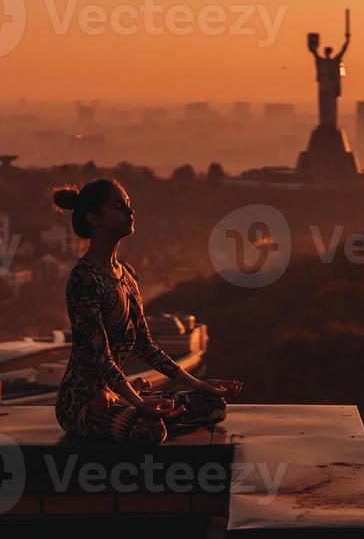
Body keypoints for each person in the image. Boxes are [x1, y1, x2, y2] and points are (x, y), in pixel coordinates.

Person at [52, 179, 242, 442]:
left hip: (121, 395)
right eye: (119, 207)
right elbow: (99, 355)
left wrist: (201, 385)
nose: (130, 212)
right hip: (84, 403)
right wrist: (139, 403)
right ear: (94, 218)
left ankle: (135, 408)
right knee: (149, 430)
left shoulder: (127, 275)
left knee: (214, 405)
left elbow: (145, 345)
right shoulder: (84, 279)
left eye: (129, 205)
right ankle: (138, 412)